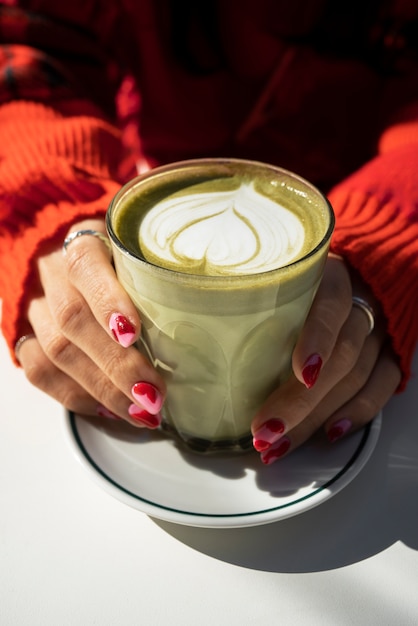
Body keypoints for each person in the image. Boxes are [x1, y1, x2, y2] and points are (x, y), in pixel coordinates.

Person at [0, 0, 417, 465]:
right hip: (139, 201)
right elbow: (25, 40)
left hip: (339, 231)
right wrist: (46, 201)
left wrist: (389, 233)